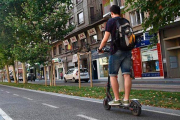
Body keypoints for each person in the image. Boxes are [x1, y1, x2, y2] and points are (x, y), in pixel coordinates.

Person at [98, 5, 132, 106]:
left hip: (116, 51)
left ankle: (117, 99)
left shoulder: (111, 22)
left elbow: (105, 39)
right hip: (127, 50)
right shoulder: (126, 21)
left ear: (111, 13)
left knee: (113, 75)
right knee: (127, 75)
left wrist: (100, 49)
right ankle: (126, 99)